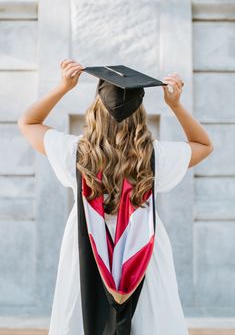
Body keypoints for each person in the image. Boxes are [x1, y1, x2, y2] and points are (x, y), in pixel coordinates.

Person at [18, 59, 214, 335]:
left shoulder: (75, 153)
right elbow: (204, 145)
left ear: (96, 110)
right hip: (143, 255)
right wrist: (176, 106)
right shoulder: (155, 157)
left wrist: (64, 87)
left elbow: (28, 122)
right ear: (140, 115)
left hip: (86, 252)